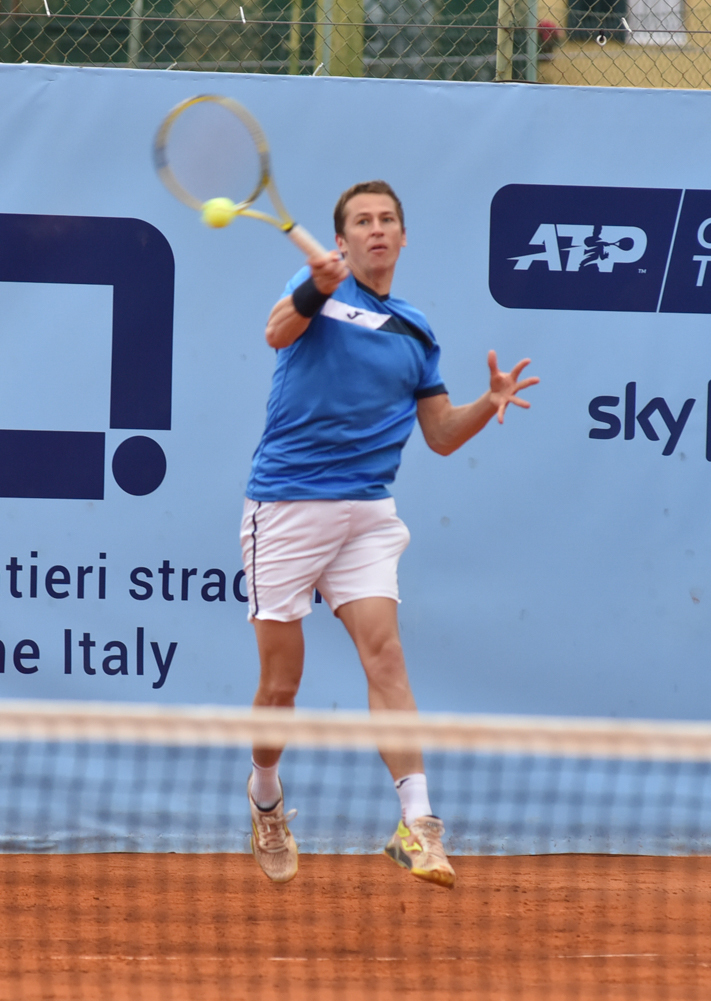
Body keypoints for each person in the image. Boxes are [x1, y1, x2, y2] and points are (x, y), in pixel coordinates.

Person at [241, 181, 537, 886]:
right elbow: (277, 331)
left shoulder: (416, 331)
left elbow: (441, 434)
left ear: (403, 237)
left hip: (367, 515)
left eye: (387, 220)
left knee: (387, 656)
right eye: (362, 222)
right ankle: (265, 795)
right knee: (281, 685)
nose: (376, 230)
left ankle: (417, 823)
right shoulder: (316, 293)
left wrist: (487, 402)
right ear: (342, 241)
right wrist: (315, 288)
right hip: (287, 507)